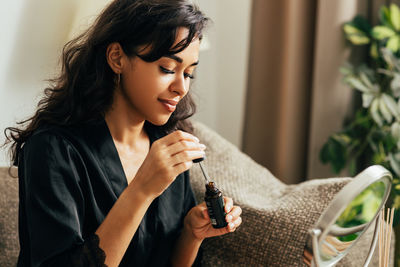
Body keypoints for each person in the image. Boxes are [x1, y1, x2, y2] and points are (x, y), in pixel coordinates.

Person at [4, 0, 242, 266]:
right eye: (167, 69)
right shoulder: (53, 149)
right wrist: (141, 190)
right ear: (117, 57)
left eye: (188, 74)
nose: (181, 88)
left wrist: (191, 235)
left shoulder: (166, 146)